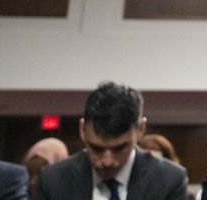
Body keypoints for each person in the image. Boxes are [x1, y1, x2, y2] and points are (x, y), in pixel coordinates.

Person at [34, 82, 187, 200]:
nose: (107, 161)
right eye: (97, 149)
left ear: (140, 129)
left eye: (119, 149)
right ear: (82, 130)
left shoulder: (168, 180)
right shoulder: (53, 181)